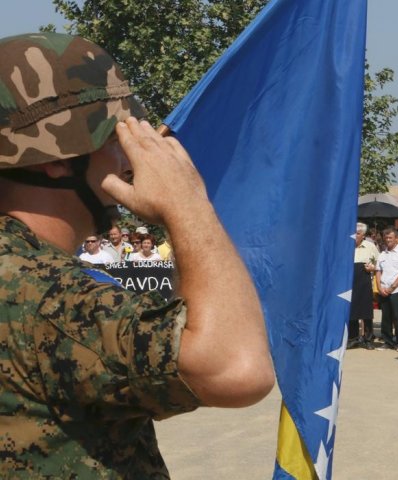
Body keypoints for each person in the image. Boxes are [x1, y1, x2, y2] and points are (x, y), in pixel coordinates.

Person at [0, 33, 273, 477]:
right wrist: (187, 205)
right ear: (56, 158)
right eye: (115, 135)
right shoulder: (38, 292)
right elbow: (238, 369)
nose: (129, 159)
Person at [375, 228, 398, 351]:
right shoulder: (382, 254)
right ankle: (387, 341)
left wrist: (392, 287)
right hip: (383, 289)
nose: (388, 240)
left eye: (390, 237)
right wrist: (379, 287)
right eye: (386, 238)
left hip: (396, 290)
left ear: (395, 239)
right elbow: (378, 271)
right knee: (386, 317)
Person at [349, 222, 379, 349]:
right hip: (350, 282)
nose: (355, 235)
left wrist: (372, 267)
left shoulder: (370, 246)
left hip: (365, 281)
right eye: (354, 233)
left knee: (366, 311)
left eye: (358, 233)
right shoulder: (347, 245)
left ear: (363, 235)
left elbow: (379, 263)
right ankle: (353, 338)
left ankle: (368, 339)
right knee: (352, 310)